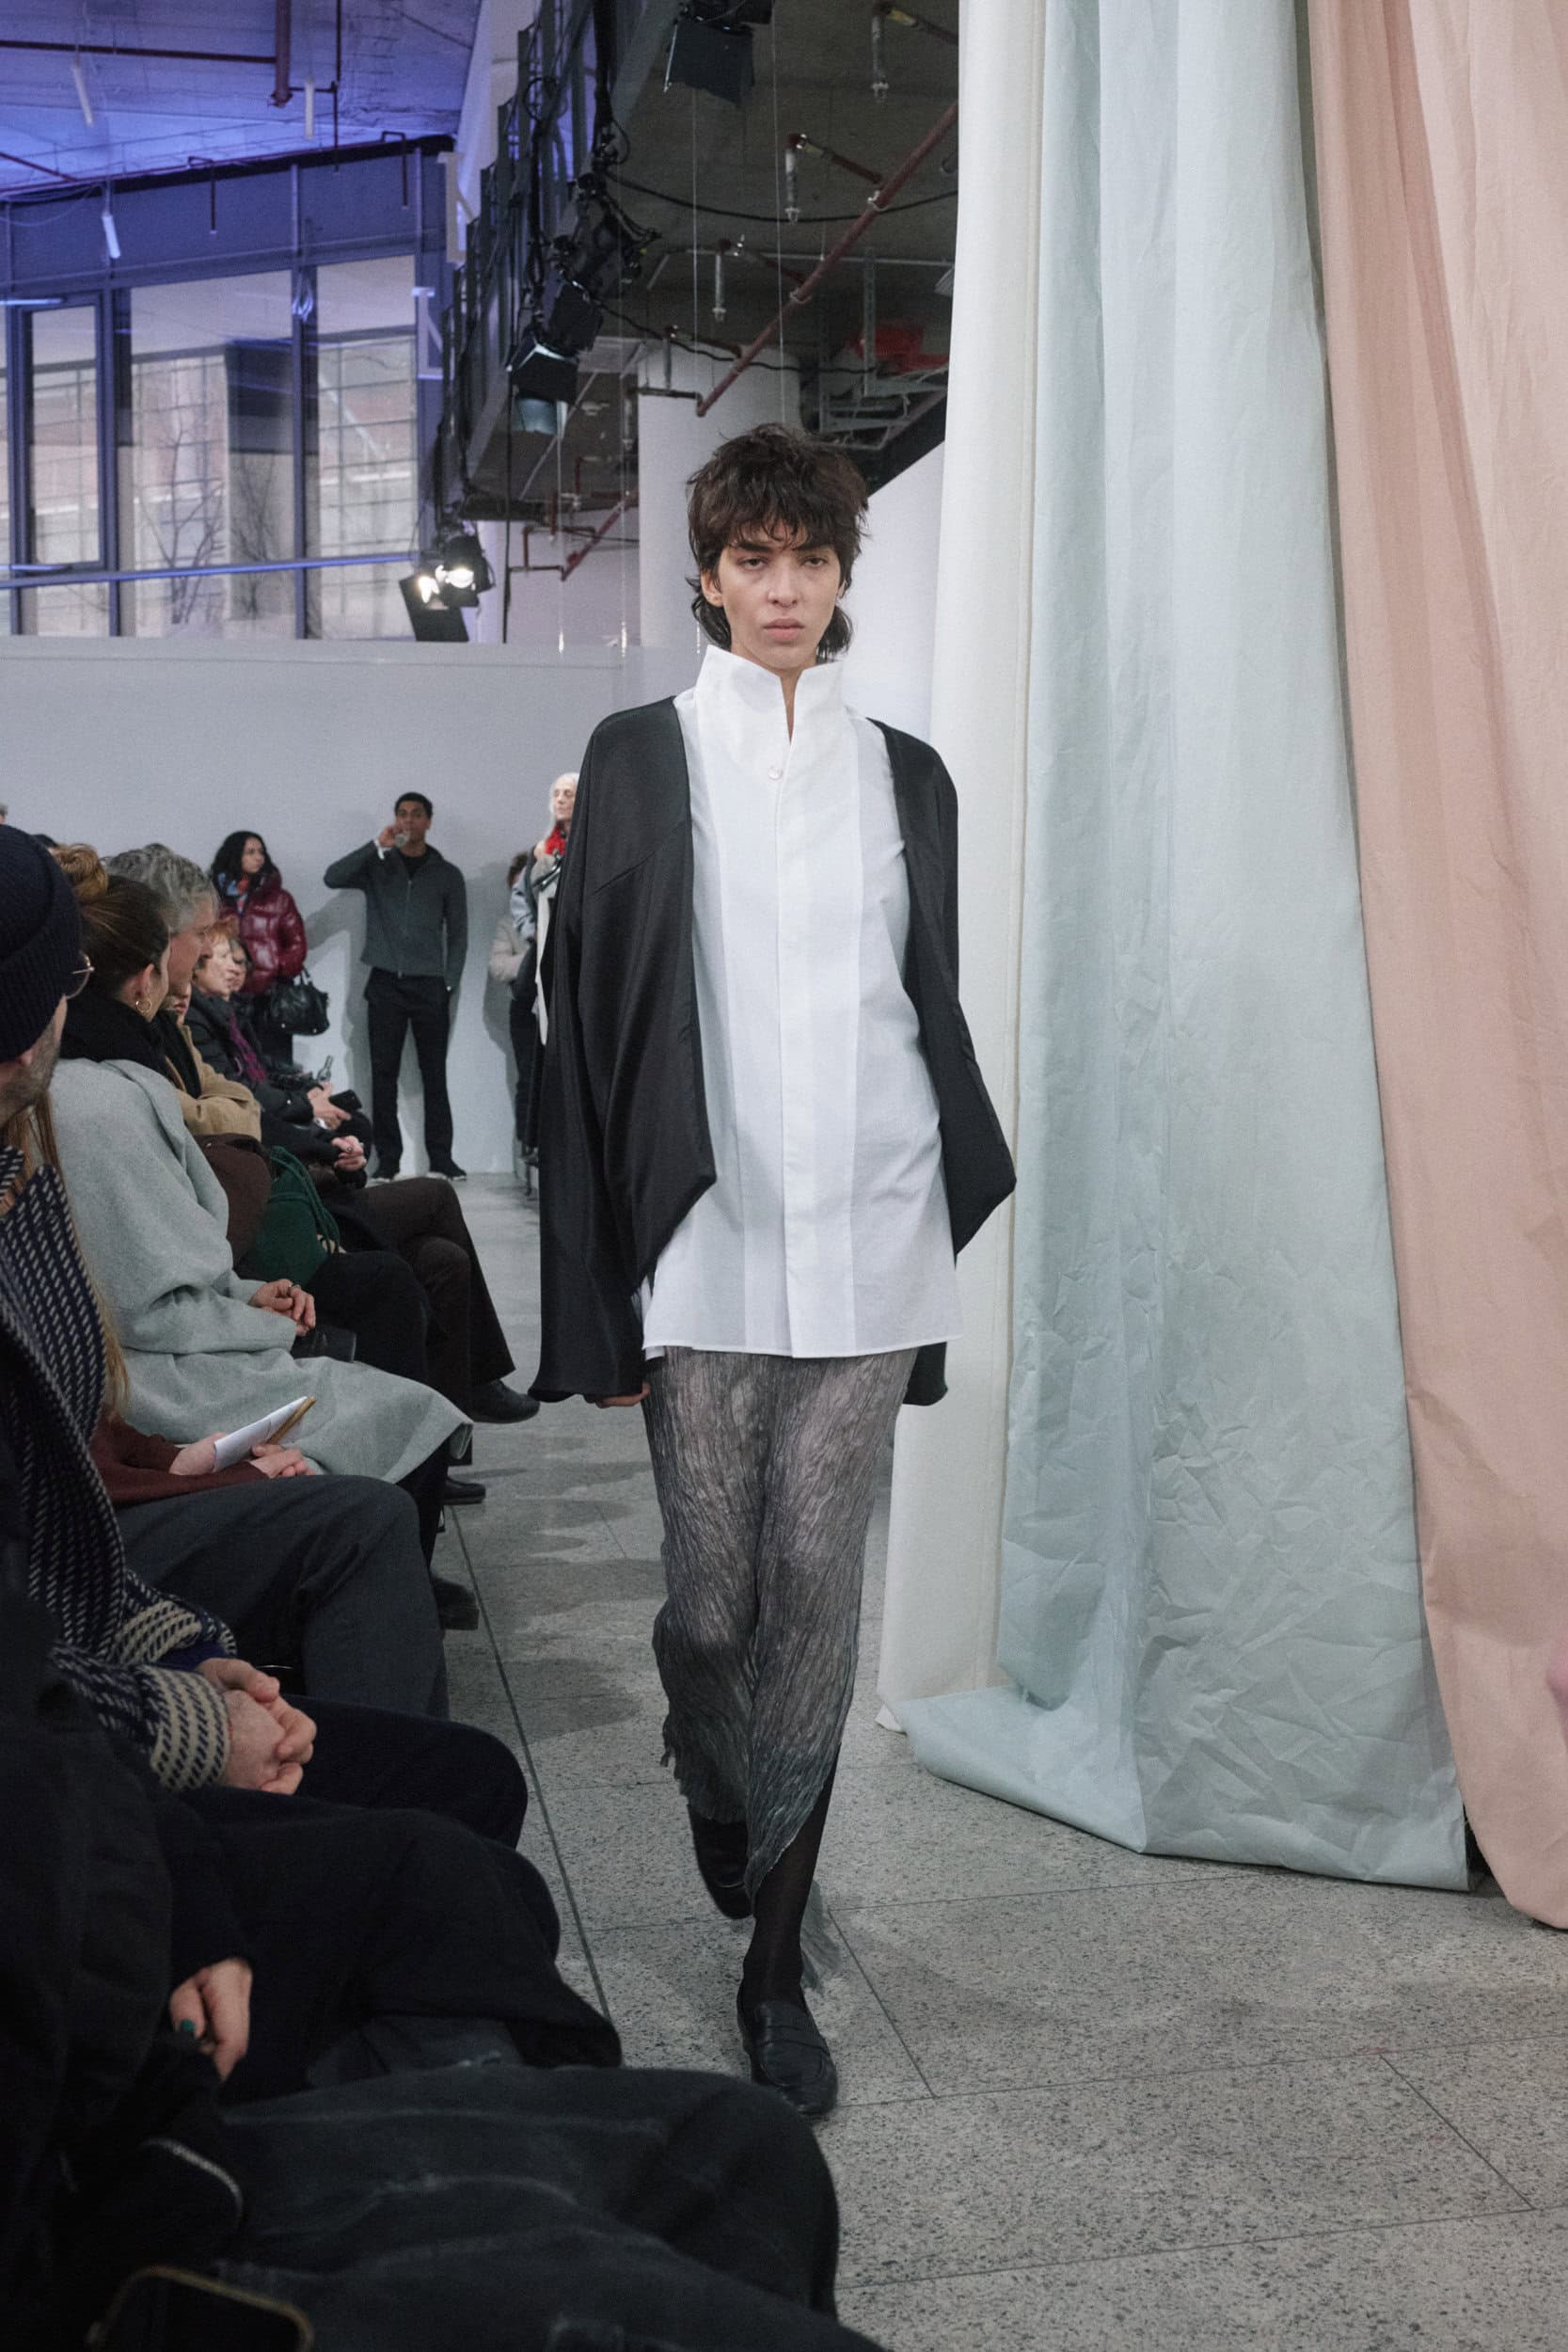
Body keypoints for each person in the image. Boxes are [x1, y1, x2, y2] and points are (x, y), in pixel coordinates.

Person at [534, 423, 1016, 2117]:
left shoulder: (909, 775)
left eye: (809, 558)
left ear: (840, 572)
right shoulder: (639, 754)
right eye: (754, 559)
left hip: (874, 1220)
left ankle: (772, 1968)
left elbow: (921, 994)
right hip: (706, 1227)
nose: (784, 588)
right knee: (706, 1606)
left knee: (814, 1583)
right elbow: (583, 1030)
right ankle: (711, 1769)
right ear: (708, 575)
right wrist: (590, 1289)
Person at [323, 792, 468, 1183]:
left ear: (428, 821)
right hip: (385, 982)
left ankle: (442, 1159)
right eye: (402, 814)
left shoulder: (447, 874)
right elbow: (333, 876)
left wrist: (449, 984)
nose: (408, 820)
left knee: (434, 1075)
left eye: (416, 814)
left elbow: (459, 935)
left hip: (430, 987)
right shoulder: (378, 865)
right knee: (382, 1076)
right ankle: (388, 1161)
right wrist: (377, 845)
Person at [210, 827, 309, 1064]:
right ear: (235, 855)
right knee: (234, 1062)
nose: (258, 857)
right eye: (250, 852)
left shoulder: (279, 899)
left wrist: (275, 969)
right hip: (227, 993)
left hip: (270, 997)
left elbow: (297, 944)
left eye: (261, 852)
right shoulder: (214, 897)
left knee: (276, 1062)